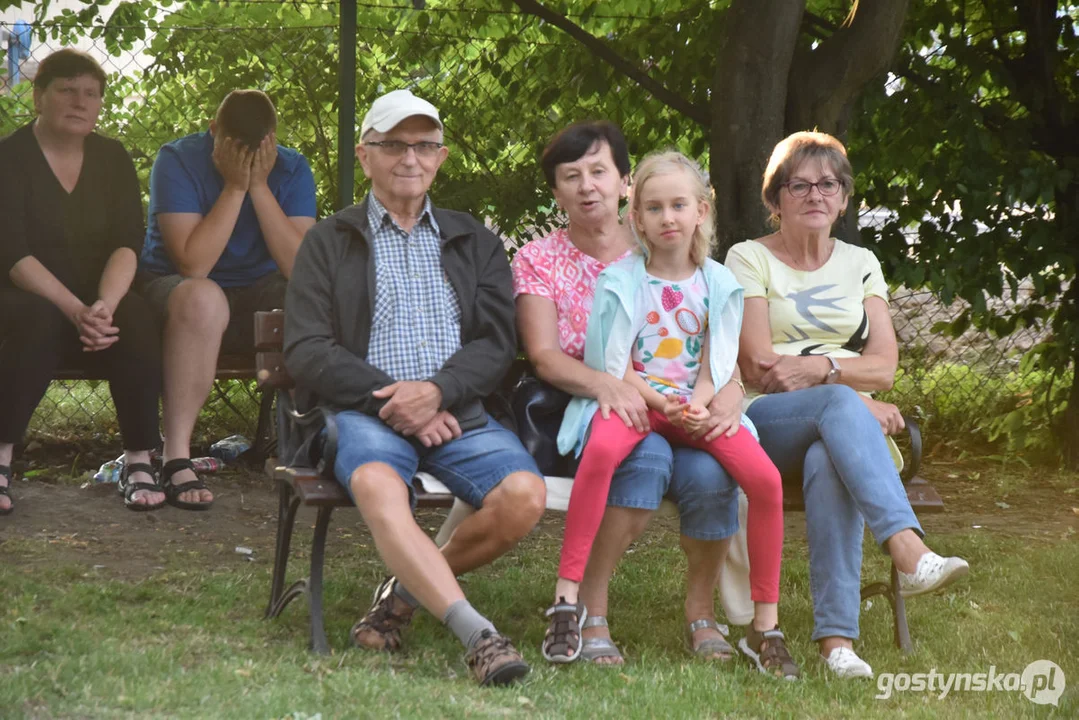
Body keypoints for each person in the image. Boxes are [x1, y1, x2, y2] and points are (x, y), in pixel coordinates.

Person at [283, 89, 546, 687]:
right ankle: (476, 633)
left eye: (424, 145)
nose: (410, 157)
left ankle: (401, 597)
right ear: (365, 154)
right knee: (379, 484)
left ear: (441, 157)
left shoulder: (471, 238)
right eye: (394, 144)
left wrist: (437, 393)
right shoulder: (330, 240)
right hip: (362, 412)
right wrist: (400, 400)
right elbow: (306, 348)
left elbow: (495, 342)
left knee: (524, 496)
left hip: (454, 411)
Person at [725, 130, 970, 679]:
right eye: (799, 185)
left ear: (842, 197)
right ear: (775, 199)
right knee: (837, 408)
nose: (815, 194)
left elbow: (885, 364)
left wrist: (823, 371)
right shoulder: (748, 259)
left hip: (845, 436)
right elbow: (761, 364)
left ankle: (837, 643)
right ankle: (907, 551)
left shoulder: (860, 261)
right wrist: (849, 393)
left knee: (827, 461)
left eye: (828, 184)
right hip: (765, 421)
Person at [549, 151, 799, 679]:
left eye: (679, 205)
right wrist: (665, 404)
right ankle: (568, 599)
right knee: (600, 454)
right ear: (635, 217)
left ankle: (765, 626)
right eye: (655, 208)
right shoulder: (621, 282)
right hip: (640, 403)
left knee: (766, 481)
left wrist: (703, 404)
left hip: (698, 407)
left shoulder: (718, 285)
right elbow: (613, 364)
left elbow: (718, 361)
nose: (668, 218)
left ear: (701, 211)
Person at [513, 122, 749, 668]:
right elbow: (546, 356)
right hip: (602, 407)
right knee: (647, 460)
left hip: (689, 407)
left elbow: (716, 337)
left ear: (625, 184)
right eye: (571, 176)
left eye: (600, 171)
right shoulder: (538, 259)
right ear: (556, 191)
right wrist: (614, 388)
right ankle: (588, 612)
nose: (587, 185)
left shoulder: (667, 242)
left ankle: (701, 613)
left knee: (713, 476)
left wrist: (731, 391)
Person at [0, 49, 163, 514]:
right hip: (22, 291)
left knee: (134, 314)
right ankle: (1, 460)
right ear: (38, 97)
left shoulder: (112, 158)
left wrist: (104, 307)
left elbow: (127, 243)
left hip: (97, 295)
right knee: (36, 317)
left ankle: (138, 462)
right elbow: (11, 253)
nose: (80, 101)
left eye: (90, 93)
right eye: (67, 89)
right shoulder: (9, 158)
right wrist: (75, 309)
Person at [137, 89, 317, 510]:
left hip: (257, 290)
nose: (247, 158)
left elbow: (298, 267)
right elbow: (194, 264)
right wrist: (236, 187)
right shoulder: (177, 159)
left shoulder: (291, 167)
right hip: (178, 291)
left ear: (272, 139)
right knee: (204, 297)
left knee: (318, 299)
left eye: (256, 150)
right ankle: (175, 455)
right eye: (236, 148)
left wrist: (259, 187)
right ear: (214, 130)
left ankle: (310, 446)